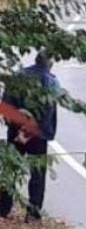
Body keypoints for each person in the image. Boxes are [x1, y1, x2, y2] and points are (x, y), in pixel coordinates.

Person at [0, 50, 60, 222]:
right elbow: (46, 113)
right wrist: (30, 131)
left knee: (10, 170)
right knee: (37, 175)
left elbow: (5, 107)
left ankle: (3, 209)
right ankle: (33, 214)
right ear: (50, 64)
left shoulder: (18, 77)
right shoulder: (51, 82)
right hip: (38, 136)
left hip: (15, 133)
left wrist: (20, 130)